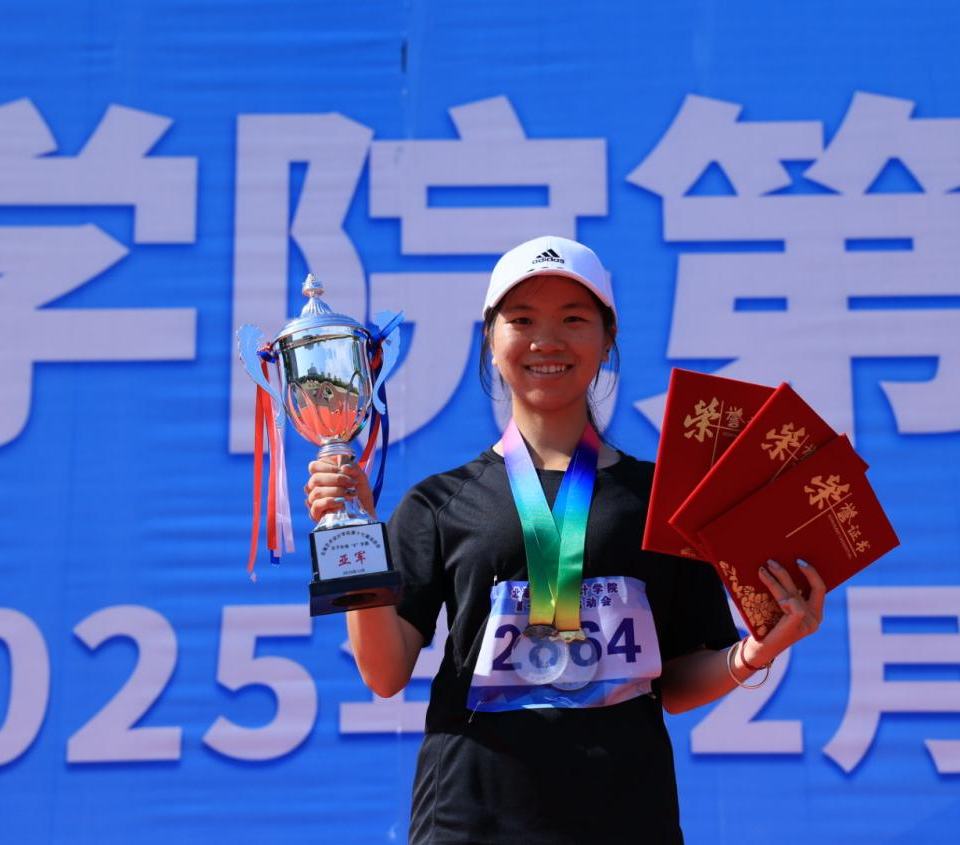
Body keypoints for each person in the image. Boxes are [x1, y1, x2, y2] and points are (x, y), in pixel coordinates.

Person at [305, 235, 826, 844]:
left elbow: (677, 682)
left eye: (573, 320)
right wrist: (354, 534)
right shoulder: (439, 502)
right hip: (470, 822)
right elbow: (383, 672)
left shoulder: (663, 501)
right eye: (522, 320)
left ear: (607, 340)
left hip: (628, 824)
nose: (546, 341)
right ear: (491, 340)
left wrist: (758, 651)